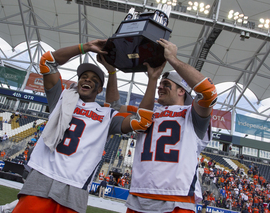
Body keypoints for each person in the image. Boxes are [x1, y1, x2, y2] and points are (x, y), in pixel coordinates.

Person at [12, 39, 154, 213]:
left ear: (100, 89)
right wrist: (84, 47)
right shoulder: (62, 97)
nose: (87, 80)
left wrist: (116, 72)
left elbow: (142, 121)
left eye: (93, 79)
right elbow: (47, 61)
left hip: (75, 184)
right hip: (43, 175)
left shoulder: (106, 115)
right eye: (83, 77)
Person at [105, 39, 217, 213]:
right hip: (138, 197)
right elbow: (113, 107)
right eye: (160, 84)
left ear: (182, 91)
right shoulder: (148, 112)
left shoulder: (192, 114)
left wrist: (172, 59)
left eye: (167, 84)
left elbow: (208, 92)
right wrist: (112, 71)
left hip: (175, 198)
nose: (160, 87)